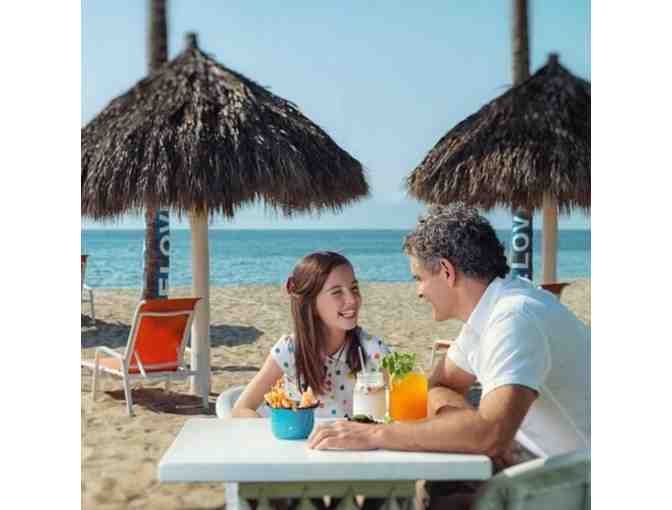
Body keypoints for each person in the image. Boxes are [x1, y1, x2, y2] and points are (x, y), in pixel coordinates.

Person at [307, 204, 590, 509]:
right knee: (423, 490)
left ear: (446, 271)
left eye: (418, 278)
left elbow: (490, 434)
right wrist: (467, 422)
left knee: (414, 497)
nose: (419, 291)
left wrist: (374, 434)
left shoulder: (514, 317)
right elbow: (439, 384)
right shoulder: (489, 313)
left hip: (576, 486)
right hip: (542, 471)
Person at [233, 251, 392, 419]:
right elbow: (241, 409)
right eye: (337, 292)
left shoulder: (372, 349)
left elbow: (405, 401)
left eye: (354, 288)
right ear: (312, 304)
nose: (352, 300)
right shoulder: (290, 350)